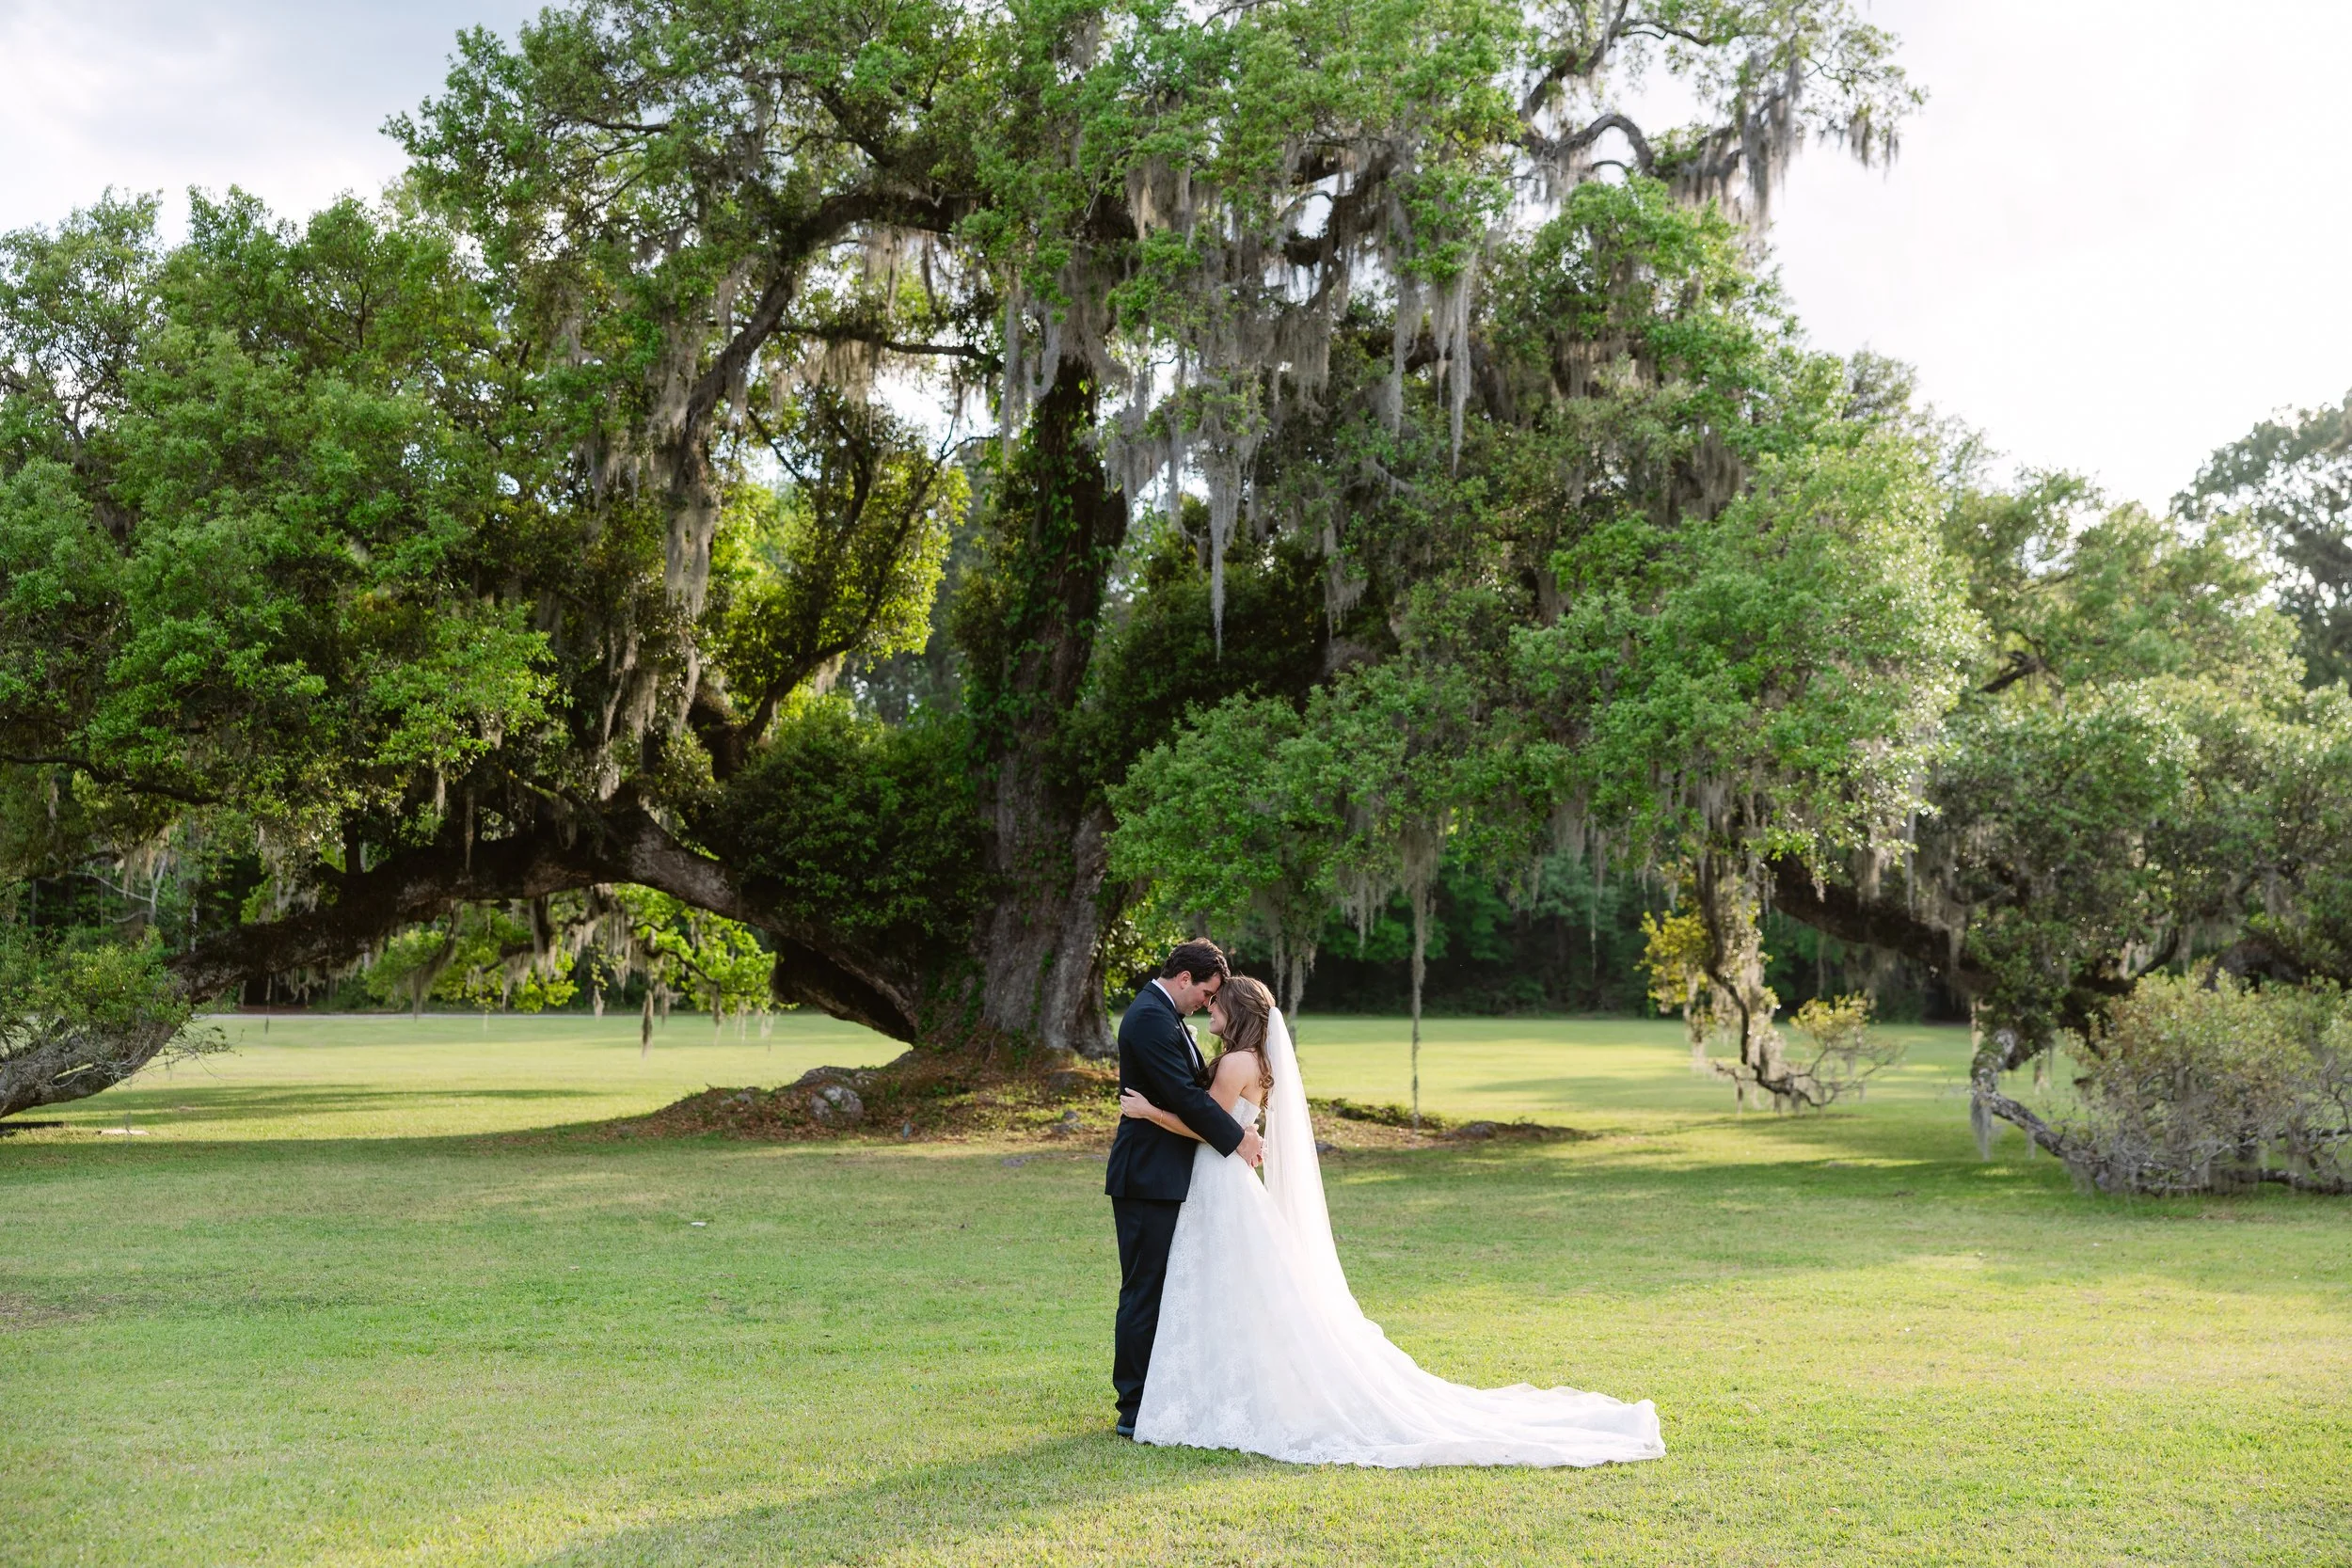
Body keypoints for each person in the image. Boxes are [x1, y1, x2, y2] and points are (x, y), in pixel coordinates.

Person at [1117, 973, 1665, 1468]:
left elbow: (1206, 1125)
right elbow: (1227, 1125)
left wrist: (1149, 1113)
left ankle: (1204, 1393)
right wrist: (1241, 1134)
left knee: (1221, 1287)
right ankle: (1211, 1388)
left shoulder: (1237, 1063)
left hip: (1221, 1182)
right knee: (1231, 1291)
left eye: (1217, 1004)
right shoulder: (1258, 1064)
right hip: (1226, 1183)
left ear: (1235, 1011)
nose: (1209, 1009)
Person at [1102, 939, 1263, 1439]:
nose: (1207, 1003)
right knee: (1144, 1290)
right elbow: (1187, 1099)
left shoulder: (1166, 1016)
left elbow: (1193, 1097)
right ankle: (1134, 1405)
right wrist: (1238, 1138)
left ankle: (1162, 1394)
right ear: (1185, 978)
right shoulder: (1151, 1018)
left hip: (1172, 1175)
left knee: (1168, 1287)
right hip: (1147, 1176)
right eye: (1206, 993)